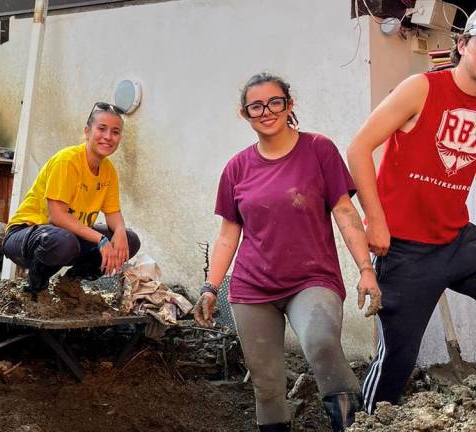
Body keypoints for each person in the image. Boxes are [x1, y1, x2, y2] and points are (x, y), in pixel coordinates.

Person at [193, 72, 382, 432]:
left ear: (289, 104)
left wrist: (366, 269)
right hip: (252, 289)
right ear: (245, 113)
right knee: (266, 386)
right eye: (256, 106)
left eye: (275, 102)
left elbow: (344, 212)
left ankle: (353, 427)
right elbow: (228, 235)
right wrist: (210, 286)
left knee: (322, 343)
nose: (266, 111)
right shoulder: (236, 168)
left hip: (312, 278)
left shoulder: (318, 149)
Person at [347, 12, 476, 414]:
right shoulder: (421, 88)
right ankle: (366, 422)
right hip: (405, 250)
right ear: (462, 45)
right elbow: (358, 149)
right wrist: (377, 219)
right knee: (397, 363)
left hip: (456, 240)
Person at [2, 102, 140, 294]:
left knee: (130, 240)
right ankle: (35, 287)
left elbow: (113, 213)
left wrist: (120, 232)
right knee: (64, 241)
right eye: (102, 129)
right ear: (87, 131)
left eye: (115, 132)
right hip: (26, 235)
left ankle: (70, 285)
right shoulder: (67, 161)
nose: (108, 137)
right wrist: (101, 240)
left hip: (67, 236)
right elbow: (57, 217)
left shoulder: (108, 171)